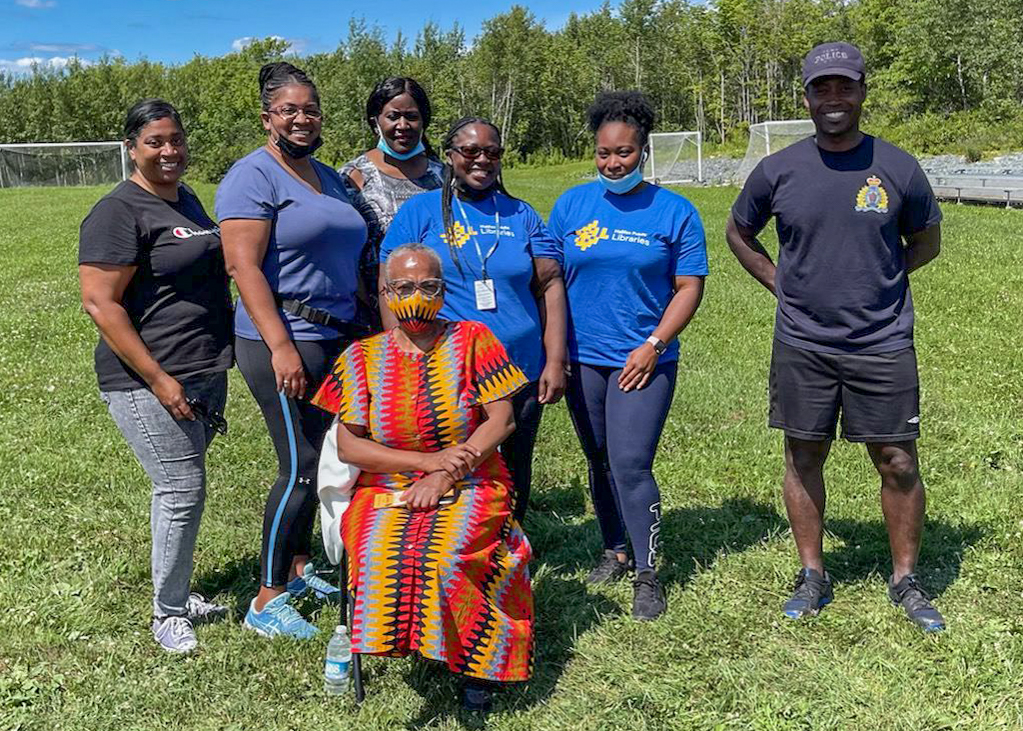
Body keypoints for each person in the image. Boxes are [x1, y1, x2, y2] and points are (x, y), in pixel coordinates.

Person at [725, 42, 944, 631]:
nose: (834, 98)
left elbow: (926, 241)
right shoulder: (779, 169)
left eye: (844, 86)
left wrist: (883, 280)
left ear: (863, 91)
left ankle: (906, 579)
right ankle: (813, 573)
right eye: (822, 88)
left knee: (897, 460)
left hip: (882, 340)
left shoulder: (897, 167)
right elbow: (739, 233)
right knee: (803, 453)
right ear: (807, 97)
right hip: (805, 342)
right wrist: (781, 284)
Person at [311, 244, 533, 712]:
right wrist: (426, 465)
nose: (418, 296)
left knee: (448, 553)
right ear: (387, 293)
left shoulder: (474, 339)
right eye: (405, 287)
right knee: (382, 550)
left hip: (473, 477)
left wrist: (451, 469)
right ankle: (410, 639)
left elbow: (502, 420)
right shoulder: (361, 357)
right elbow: (349, 446)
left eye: (429, 286)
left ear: (443, 290)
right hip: (387, 486)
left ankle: (477, 662)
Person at [215, 62, 368, 639]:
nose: (302, 119)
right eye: (289, 110)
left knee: (327, 457)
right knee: (301, 465)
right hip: (283, 339)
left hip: (335, 336)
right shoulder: (252, 177)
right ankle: (266, 597)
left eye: (311, 109)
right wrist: (280, 345)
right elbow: (242, 266)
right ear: (267, 117)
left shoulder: (327, 176)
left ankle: (300, 569)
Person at [79, 99, 233, 653]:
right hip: (149, 379)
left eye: (176, 140)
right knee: (180, 488)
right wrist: (160, 379)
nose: (169, 151)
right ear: (132, 148)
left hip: (204, 368)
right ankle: (168, 612)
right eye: (155, 142)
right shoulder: (117, 211)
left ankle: (180, 589)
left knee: (186, 488)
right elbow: (100, 304)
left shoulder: (186, 199)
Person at [547, 91, 708, 621]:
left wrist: (653, 344)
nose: (613, 163)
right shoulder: (571, 204)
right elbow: (549, 278)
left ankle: (647, 570)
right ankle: (614, 548)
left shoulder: (675, 211)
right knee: (597, 459)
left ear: (644, 151)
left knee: (631, 464)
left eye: (624, 153)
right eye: (603, 153)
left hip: (643, 360)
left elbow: (688, 286)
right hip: (583, 359)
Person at [380, 117, 566, 522]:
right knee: (451, 460)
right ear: (449, 156)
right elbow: (389, 283)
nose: (481, 159)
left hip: (520, 366)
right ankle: (454, 540)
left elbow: (550, 285)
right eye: (470, 151)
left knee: (516, 460)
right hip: (447, 370)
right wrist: (399, 353)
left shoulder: (522, 214)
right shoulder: (420, 211)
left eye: (492, 152)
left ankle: (509, 541)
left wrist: (554, 360)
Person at [340, 76, 444, 325]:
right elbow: (342, 250)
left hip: (438, 311)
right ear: (375, 121)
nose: (403, 125)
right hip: (370, 313)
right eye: (393, 116)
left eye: (411, 116)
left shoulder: (444, 176)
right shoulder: (353, 177)